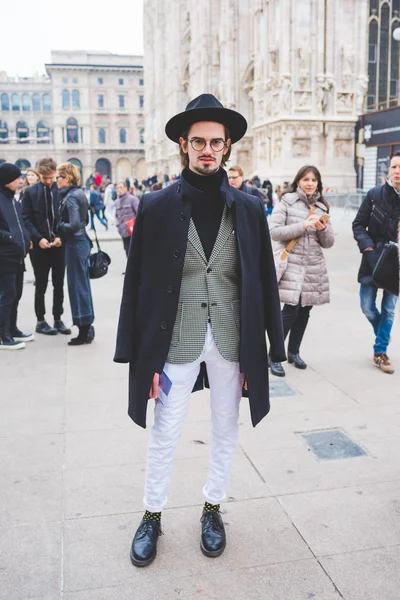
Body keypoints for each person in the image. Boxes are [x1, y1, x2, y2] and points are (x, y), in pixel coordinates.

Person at [114, 93, 285, 567]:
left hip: (232, 337)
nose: (207, 149)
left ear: (227, 147)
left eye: (216, 142)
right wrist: (136, 356)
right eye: (198, 142)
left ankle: (213, 506)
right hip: (176, 337)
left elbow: (262, 280)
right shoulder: (155, 205)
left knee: (226, 427)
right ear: (184, 146)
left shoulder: (249, 208)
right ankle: (152, 514)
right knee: (166, 429)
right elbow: (138, 284)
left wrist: (270, 349)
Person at [269, 165, 334, 377]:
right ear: (298, 181)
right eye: (306, 179)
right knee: (290, 311)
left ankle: (293, 351)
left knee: (305, 311)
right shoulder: (287, 202)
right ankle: (274, 355)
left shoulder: (322, 207)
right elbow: (274, 231)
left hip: (313, 267)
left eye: (313, 180)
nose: (309, 183)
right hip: (292, 265)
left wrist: (322, 230)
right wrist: (303, 226)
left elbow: (328, 243)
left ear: (318, 184)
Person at [352, 152, 400, 374]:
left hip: (397, 262)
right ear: (389, 170)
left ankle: (380, 352)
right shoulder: (374, 195)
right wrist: (368, 248)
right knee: (367, 307)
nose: (397, 171)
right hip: (373, 259)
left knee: (389, 310)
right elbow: (359, 225)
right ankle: (383, 331)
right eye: (394, 167)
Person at [21, 157, 71, 336]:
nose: (49, 181)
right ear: (39, 175)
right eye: (45, 178)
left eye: (52, 178)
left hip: (58, 245)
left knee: (59, 283)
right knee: (41, 284)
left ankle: (58, 318)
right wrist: (38, 238)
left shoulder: (61, 190)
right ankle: (40, 320)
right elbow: (25, 218)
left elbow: (66, 217)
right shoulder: (30, 192)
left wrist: (60, 237)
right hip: (39, 247)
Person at [56, 163, 95, 346]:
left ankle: (84, 328)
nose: (57, 180)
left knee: (77, 287)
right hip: (81, 242)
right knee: (82, 286)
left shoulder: (71, 196)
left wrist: (58, 226)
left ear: (67, 178)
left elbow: (74, 225)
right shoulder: (79, 193)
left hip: (75, 243)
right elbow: (85, 220)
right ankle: (86, 327)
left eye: (59, 177)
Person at [0, 163, 32, 349]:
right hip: (5, 257)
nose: (21, 181)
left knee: (16, 294)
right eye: (17, 178)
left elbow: (19, 223)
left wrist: (25, 238)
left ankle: (12, 328)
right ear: (6, 181)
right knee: (8, 294)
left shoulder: (12, 199)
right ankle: (3, 335)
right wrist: (11, 238)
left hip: (18, 256)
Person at [115, 182, 139, 257]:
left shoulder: (133, 199)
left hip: (133, 232)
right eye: (118, 188)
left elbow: (139, 213)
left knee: (135, 252)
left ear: (126, 188)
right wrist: (118, 226)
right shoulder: (117, 202)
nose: (119, 189)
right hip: (123, 232)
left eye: (121, 187)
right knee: (127, 251)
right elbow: (116, 216)